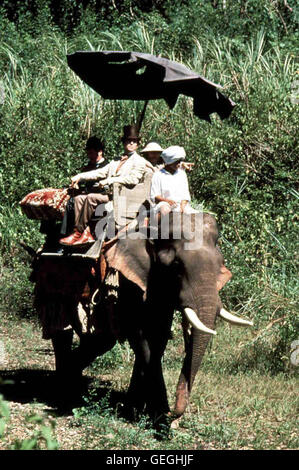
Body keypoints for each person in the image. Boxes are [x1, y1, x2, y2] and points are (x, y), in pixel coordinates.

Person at [59, 124, 147, 246]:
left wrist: (110, 180)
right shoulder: (116, 160)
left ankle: (79, 233)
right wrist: (80, 176)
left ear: (138, 144)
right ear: (123, 143)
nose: (131, 143)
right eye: (128, 141)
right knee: (79, 199)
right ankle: (81, 231)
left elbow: (133, 179)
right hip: (110, 195)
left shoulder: (139, 161)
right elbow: (101, 172)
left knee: (91, 198)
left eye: (134, 141)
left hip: (123, 197)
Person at [60, 136, 107, 238]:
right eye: (88, 153)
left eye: (91, 153)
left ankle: (78, 231)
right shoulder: (87, 167)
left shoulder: (106, 166)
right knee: (69, 202)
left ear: (99, 152)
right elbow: (82, 183)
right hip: (85, 195)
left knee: (77, 201)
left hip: (99, 195)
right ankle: (63, 234)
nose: (89, 156)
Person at [150, 145, 196, 217]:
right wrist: (167, 201)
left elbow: (185, 194)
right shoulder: (158, 175)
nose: (179, 164)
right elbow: (155, 196)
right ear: (169, 162)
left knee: (196, 216)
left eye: (180, 161)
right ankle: (154, 226)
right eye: (176, 162)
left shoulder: (182, 174)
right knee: (165, 211)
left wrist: (182, 206)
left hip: (181, 204)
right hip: (164, 204)